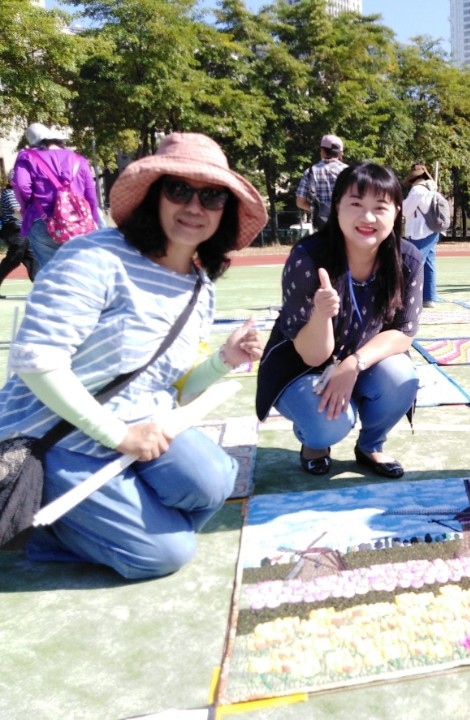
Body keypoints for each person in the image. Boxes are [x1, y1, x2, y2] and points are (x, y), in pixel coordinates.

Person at [0, 132, 268, 579]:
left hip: (139, 426)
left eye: (213, 196)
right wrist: (119, 436)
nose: (195, 207)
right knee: (165, 554)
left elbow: (170, 387)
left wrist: (224, 359)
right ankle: (37, 524)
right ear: (154, 195)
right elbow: (37, 361)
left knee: (214, 480)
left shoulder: (199, 289)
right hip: (51, 435)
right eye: (179, 190)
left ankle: (110, 519)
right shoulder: (95, 256)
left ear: (227, 211)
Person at [256, 162, 424, 479]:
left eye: (380, 207)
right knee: (331, 423)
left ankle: (371, 445)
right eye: (356, 205)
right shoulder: (308, 257)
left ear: (397, 211)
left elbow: (403, 332)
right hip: (303, 368)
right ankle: (315, 444)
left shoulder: (408, 258)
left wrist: (353, 364)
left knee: (402, 375)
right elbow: (313, 355)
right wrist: (321, 315)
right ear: (337, 208)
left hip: (361, 362)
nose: (368, 218)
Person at [11, 122, 101, 270]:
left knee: (53, 273)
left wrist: (28, 208)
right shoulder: (78, 159)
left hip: (42, 220)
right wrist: (94, 221)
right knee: (83, 271)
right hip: (79, 224)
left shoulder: (27, 157)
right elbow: (91, 194)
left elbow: (21, 185)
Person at [402, 162, 441, 308]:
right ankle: (429, 297)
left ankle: (409, 297)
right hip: (433, 230)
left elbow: (406, 210)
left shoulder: (417, 190)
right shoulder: (433, 188)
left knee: (414, 263)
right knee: (429, 264)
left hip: (420, 232)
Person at [295, 134, 348, 229]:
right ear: (340, 153)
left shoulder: (310, 172)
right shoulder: (348, 172)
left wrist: (316, 209)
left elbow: (300, 202)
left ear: (322, 151)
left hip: (321, 228)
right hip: (344, 224)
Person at [0, 175, 37, 296]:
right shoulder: (9, 193)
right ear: (11, 181)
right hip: (14, 229)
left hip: (23, 230)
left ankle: (40, 288)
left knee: (32, 259)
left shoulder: (20, 193)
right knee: (13, 260)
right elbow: (17, 212)